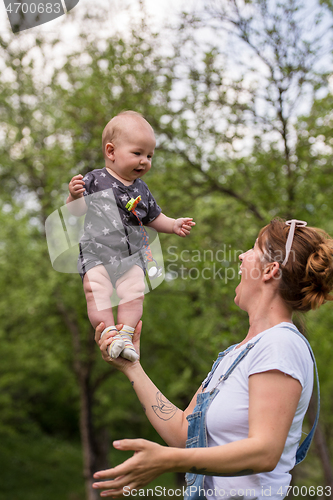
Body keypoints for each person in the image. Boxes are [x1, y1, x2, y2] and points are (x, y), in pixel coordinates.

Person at [92, 218, 333, 499]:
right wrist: (132, 368)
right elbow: (185, 433)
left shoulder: (280, 344)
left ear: (270, 270)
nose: (242, 256)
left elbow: (265, 452)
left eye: (254, 248)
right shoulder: (235, 355)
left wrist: (167, 461)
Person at [67, 111, 195, 362]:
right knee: (96, 291)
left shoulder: (142, 189)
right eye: (137, 153)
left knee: (134, 292)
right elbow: (76, 212)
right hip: (97, 253)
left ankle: (126, 336)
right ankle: (110, 335)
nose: (144, 161)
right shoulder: (94, 180)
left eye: (149, 156)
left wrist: (174, 224)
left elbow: (154, 217)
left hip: (131, 256)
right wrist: (74, 196)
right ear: (111, 152)